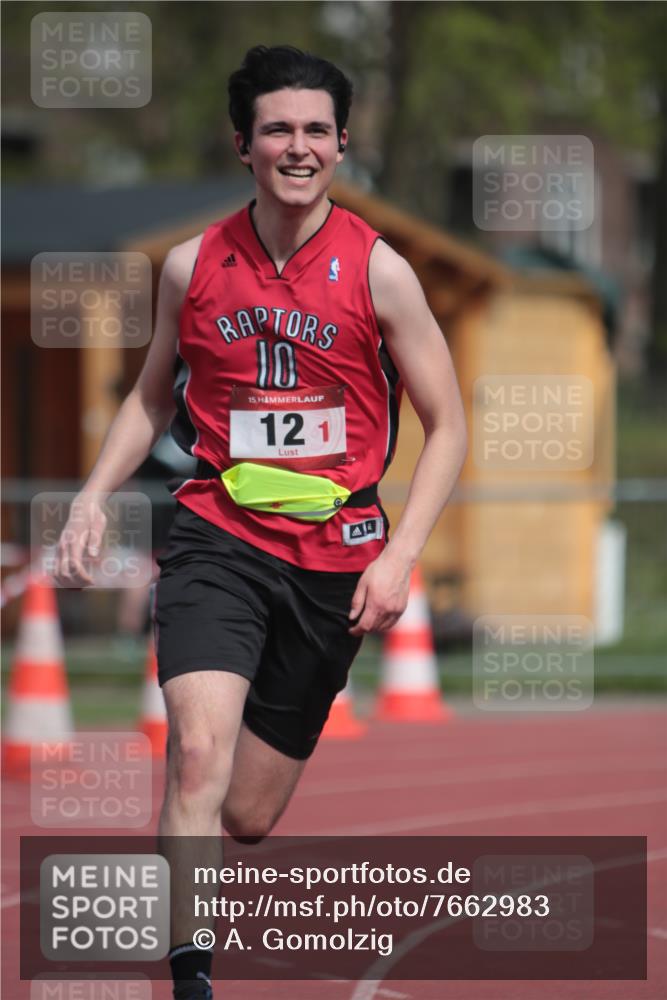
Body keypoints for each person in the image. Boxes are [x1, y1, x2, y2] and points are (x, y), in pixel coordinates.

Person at [54, 45, 467, 1000]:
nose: (298, 146)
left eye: (316, 129)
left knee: (245, 811)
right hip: (217, 538)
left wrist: (401, 554)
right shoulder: (194, 265)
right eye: (278, 128)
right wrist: (90, 496)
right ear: (244, 143)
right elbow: (151, 400)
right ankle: (191, 978)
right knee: (195, 754)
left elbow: (448, 425)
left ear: (341, 144)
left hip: (334, 560)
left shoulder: (382, 272)